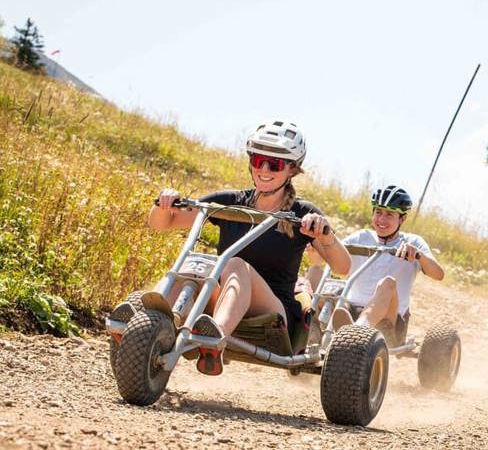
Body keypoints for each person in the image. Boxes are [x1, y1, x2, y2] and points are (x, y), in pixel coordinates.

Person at [125, 119, 351, 375]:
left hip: (272, 311)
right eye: (258, 161)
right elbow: (162, 224)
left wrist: (324, 235)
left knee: (233, 264)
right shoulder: (230, 202)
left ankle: (215, 339)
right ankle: (145, 323)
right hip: (224, 298)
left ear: (291, 170)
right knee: (194, 268)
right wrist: (163, 204)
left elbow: (343, 267)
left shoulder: (302, 214)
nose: (264, 169)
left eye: (274, 164)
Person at [309, 185, 444, 346]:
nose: (381, 220)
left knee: (388, 283)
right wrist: (314, 251)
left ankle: (357, 331)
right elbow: (329, 257)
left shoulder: (413, 242)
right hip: (349, 310)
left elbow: (438, 274)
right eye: (378, 212)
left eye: (389, 214)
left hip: (389, 319)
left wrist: (419, 256)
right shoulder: (361, 237)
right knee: (318, 275)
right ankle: (310, 331)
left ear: (402, 218)